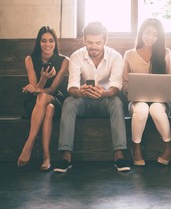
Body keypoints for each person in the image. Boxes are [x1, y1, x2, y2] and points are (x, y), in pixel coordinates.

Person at [54, 22, 130, 173]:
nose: (93, 46)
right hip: (84, 100)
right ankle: (66, 155)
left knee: (116, 102)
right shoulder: (76, 56)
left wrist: (104, 93)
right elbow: (72, 86)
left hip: (106, 100)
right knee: (69, 102)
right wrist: (80, 92)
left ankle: (119, 154)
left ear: (105, 41)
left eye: (98, 43)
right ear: (84, 40)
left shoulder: (115, 56)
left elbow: (116, 86)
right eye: (90, 42)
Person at [122, 18, 171, 166]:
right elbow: (124, 83)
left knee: (156, 109)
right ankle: (136, 147)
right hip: (137, 102)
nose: (150, 37)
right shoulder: (129, 55)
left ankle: (169, 146)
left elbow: (170, 81)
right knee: (142, 108)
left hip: (161, 102)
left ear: (159, 37)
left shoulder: (166, 53)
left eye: (155, 34)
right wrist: (131, 92)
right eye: (147, 33)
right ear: (141, 33)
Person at [17, 26, 69, 171]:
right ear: (38, 42)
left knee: (47, 99)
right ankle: (46, 158)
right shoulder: (30, 60)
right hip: (35, 103)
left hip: (55, 98)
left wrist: (41, 85)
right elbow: (35, 91)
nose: (47, 44)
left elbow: (52, 90)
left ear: (55, 43)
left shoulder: (64, 61)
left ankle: (29, 143)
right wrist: (43, 80)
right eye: (44, 41)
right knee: (48, 108)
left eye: (51, 41)